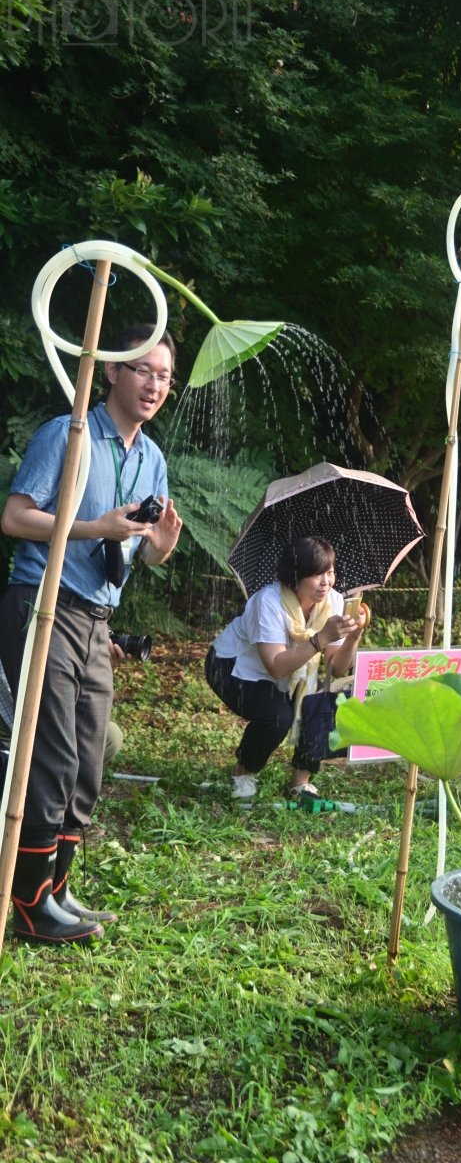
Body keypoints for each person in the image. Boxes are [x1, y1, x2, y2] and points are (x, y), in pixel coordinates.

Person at [0, 324, 182, 944]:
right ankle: (28, 905)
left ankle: (57, 889)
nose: (154, 384)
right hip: (44, 604)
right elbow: (15, 518)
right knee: (52, 757)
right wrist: (94, 527)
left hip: (98, 619)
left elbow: (140, 551)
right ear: (112, 371)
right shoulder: (68, 433)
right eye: (143, 370)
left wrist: (160, 546)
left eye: (164, 375)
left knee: (89, 755)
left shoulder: (152, 459)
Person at [205, 536, 366, 802]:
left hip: (289, 673)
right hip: (231, 666)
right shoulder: (268, 601)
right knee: (277, 715)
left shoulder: (334, 603)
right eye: (316, 574)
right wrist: (321, 638)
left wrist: (353, 637)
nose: (326, 582)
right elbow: (276, 666)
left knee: (318, 706)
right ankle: (243, 773)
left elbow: (337, 668)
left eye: (330, 572)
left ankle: (300, 783)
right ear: (295, 576)